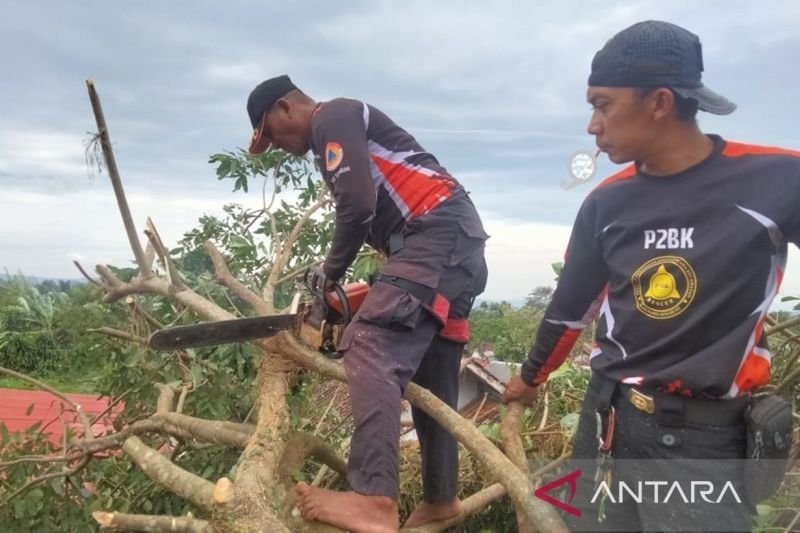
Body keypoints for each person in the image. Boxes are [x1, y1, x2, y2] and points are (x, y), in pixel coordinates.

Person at [502, 20, 800, 531]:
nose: (592, 125)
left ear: (660, 102)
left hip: (703, 442)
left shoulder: (778, 180)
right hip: (604, 419)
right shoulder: (606, 202)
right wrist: (530, 379)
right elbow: (570, 309)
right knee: (572, 524)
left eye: (602, 104)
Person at [245, 75, 488, 532]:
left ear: (285, 108)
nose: (276, 145)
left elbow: (356, 207)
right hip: (452, 244)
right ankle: (441, 497)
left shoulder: (332, 117)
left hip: (436, 235)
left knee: (371, 343)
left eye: (270, 134)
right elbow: (373, 214)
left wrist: (328, 275)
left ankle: (373, 498)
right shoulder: (340, 132)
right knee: (431, 375)